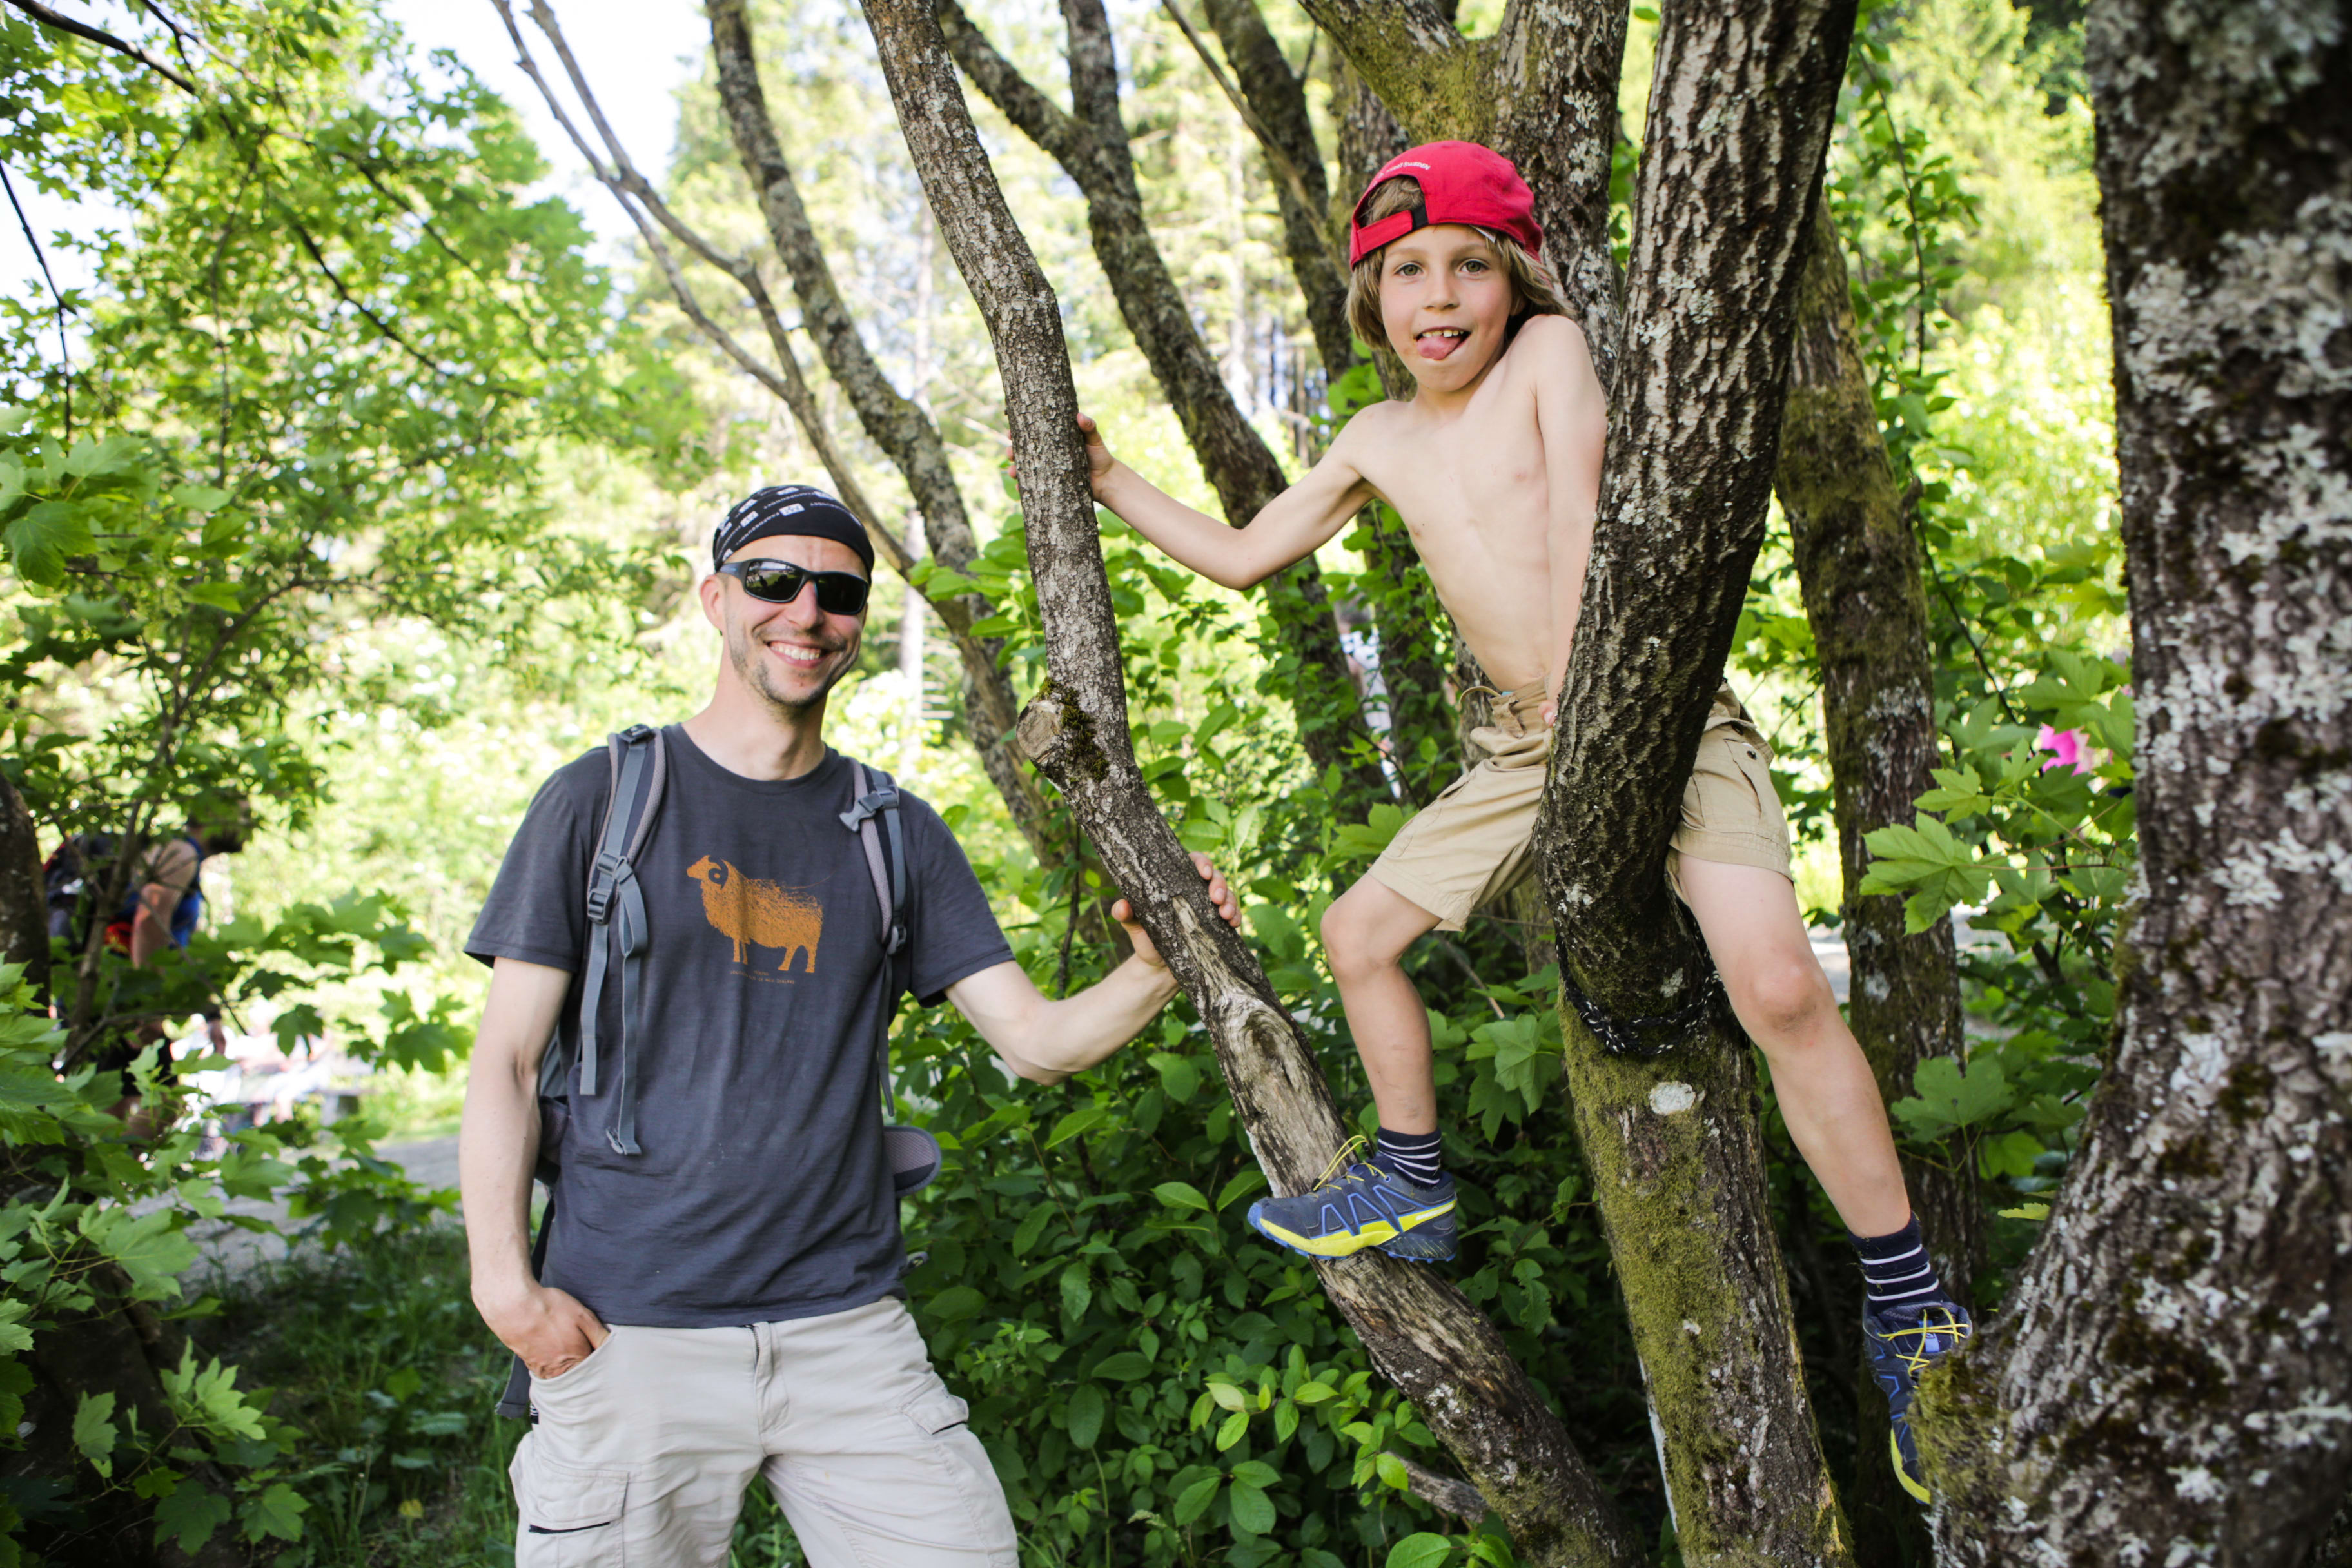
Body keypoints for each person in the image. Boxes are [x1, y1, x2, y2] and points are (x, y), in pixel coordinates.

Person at [1079, 142, 1969, 1503]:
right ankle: (1411, 1182)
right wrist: (1106, 478)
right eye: (1406, 272)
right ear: (1371, 295)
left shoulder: (1549, 359)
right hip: (1520, 748)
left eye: (1469, 267)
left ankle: (1908, 1306)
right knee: (1357, 937)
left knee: (1783, 988)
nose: (1438, 297)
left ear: (1515, 284)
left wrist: (1596, 705)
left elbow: (1587, 507)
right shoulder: (1378, 440)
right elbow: (1247, 555)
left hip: (1659, 707)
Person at [460, 484, 1240, 1567]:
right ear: (717, 600)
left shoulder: (894, 832)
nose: (807, 612)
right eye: (774, 582)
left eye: (839, 592)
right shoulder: (601, 801)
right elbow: (505, 1062)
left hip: (848, 1335)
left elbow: (1037, 1043)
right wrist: (505, 1290)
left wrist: (1159, 966)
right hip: (630, 1332)